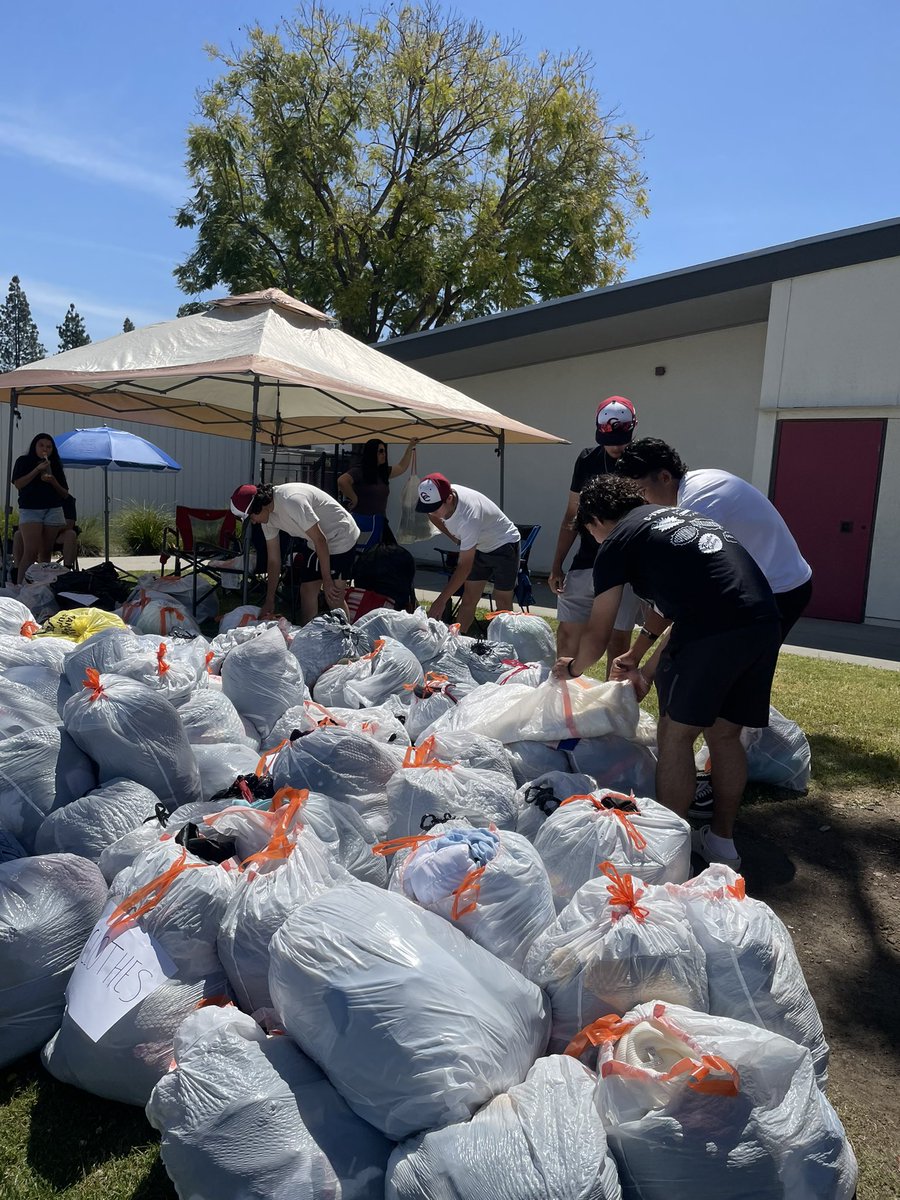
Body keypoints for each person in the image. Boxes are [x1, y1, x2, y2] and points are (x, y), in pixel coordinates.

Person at [552, 473, 781, 870]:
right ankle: (723, 844)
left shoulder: (618, 541)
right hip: (762, 619)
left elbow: (599, 631)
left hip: (713, 627)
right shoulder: (675, 519)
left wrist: (570, 667)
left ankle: (668, 852)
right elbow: (681, 608)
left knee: (675, 737)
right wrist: (643, 664)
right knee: (726, 735)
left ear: (593, 523)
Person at [616, 438, 813, 641]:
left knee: (738, 665)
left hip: (780, 589)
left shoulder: (698, 505)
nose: (642, 502)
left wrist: (640, 652)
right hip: (769, 584)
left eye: (642, 492)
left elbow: (678, 587)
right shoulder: (697, 482)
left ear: (665, 477)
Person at [548, 396, 642, 676]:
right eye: (608, 440)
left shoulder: (641, 461)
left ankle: (614, 709)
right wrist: (556, 565)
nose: (614, 446)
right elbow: (572, 515)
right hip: (587, 559)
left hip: (626, 566)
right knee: (567, 634)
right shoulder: (588, 459)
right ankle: (563, 701)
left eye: (621, 439)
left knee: (617, 641)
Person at [230, 482, 360, 624]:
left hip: (341, 536)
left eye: (251, 518)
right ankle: (306, 637)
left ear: (259, 507)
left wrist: (327, 580)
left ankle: (348, 636)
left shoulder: (291, 501)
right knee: (307, 590)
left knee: (334, 596)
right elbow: (274, 560)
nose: (253, 522)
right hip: (315, 541)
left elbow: (320, 539)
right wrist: (269, 599)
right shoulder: (266, 518)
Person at [415, 472, 520, 633]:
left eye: (435, 508)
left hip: (504, 545)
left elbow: (464, 567)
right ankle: (456, 643)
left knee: (502, 602)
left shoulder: (469, 517)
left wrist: (441, 600)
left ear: (449, 499)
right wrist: (455, 538)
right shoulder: (441, 497)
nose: (431, 511)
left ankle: (506, 646)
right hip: (478, 545)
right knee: (469, 599)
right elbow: (432, 516)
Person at [12, 433, 70, 584]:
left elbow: (64, 493)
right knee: (30, 552)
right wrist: (37, 470)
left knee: (45, 552)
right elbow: (18, 483)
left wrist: (53, 481)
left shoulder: (54, 464)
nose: (45, 449)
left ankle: (42, 587)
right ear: (34, 446)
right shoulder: (24, 461)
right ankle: (20, 586)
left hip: (52, 508)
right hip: (31, 509)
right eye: (41, 445)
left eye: (49, 446)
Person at [337, 438, 418, 541]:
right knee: (366, 551)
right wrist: (354, 498)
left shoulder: (383, 472)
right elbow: (342, 481)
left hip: (380, 520)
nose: (384, 454)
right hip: (362, 520)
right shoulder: (360, 471)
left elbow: (402, 467)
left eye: (384, 451)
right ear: (372, 453)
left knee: (390, 552)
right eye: (380, 451)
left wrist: (410, 446)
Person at [13, 494, 79, 573]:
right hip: (34, 534)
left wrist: (50, 529)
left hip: (56, 534)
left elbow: (69, 523)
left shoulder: (67, 499)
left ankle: (67, 569)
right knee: (18, 534)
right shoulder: (31, 498)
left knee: (71, 534)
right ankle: (17, 569)